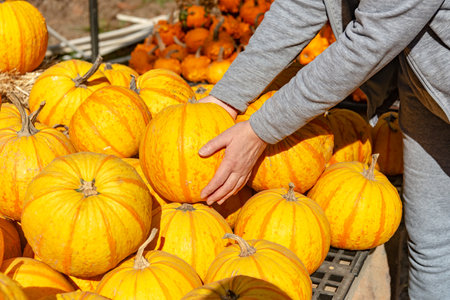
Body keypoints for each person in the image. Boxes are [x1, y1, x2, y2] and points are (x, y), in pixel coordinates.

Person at [196, 0, 450, 298]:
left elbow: (368, 42)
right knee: (430, 245)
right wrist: (224, 100)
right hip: (424, 89)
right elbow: (300, 5)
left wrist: (259, 130)